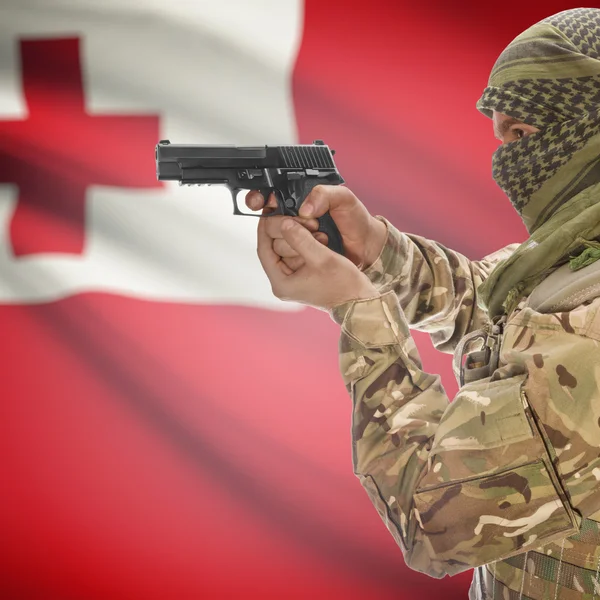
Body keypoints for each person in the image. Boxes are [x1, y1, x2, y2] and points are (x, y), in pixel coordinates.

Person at [246, 7, 600, 599]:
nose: (506, 162)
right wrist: (377, 250)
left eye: (523, 135)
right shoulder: (576, 254)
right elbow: (495, 306)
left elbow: (434, 522)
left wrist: (358, 309)